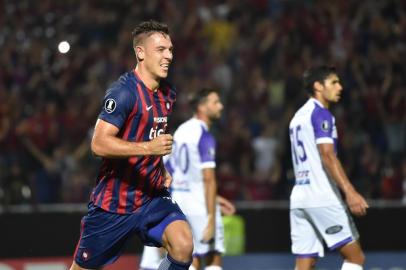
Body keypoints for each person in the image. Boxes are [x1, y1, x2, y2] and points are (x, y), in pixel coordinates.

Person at [69, 20, 193, 270]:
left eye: (170, 49)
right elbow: (99, 144)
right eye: (161, 50)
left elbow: (150, 133)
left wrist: (159, 167)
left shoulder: (168, 93)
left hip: (152, 196)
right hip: (115, 204)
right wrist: (149, 149)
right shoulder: (123, 93)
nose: (169, 56)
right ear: (140, 52)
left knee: (183, 245)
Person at [139, 88, 235, 270]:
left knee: (189, 259)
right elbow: (208, 179)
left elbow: (168, 171)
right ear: (201, 107)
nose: (220, 106)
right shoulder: (204, 136)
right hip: (200, 206)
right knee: (214, 258)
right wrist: (212, 218)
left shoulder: (181, 131)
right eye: (215, 102)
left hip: (180, 201)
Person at [288, 66, 369, 270]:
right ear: (318, 86)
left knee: (305, 263)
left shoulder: (297, 116)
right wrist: (350, 192)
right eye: (333, 82)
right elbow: (327, 155)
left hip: (300, 197)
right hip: (321, 196)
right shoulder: (321, 114)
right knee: (355, 258)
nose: (340, 87)